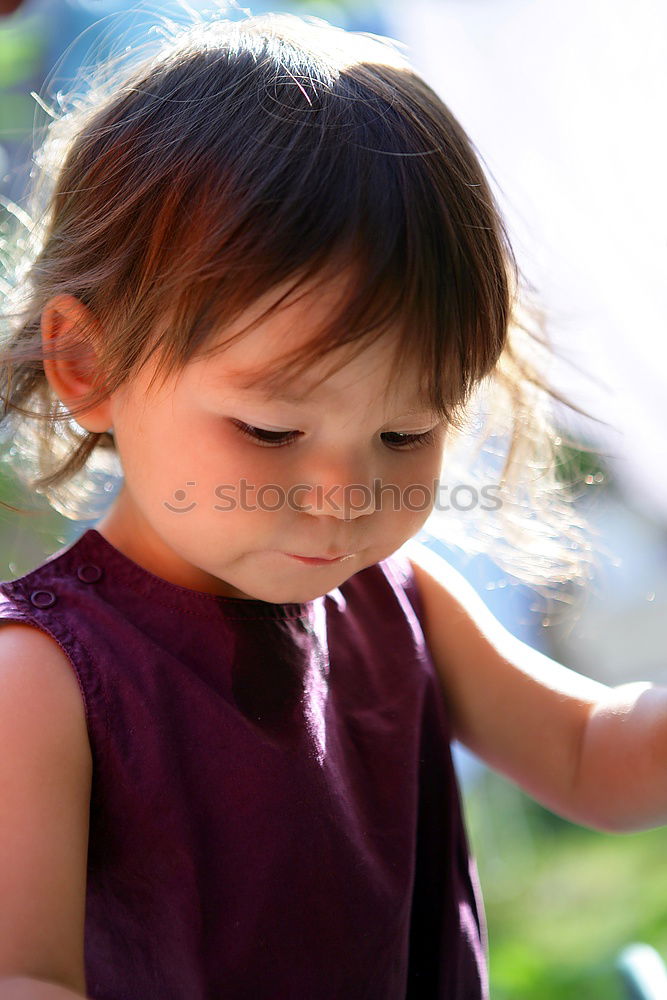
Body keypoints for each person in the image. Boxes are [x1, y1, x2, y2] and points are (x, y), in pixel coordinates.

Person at [0, 11, 664, 1000]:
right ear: (88, 365)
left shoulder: (402, 598)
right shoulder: (41, 680)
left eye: (406, 435)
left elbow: (592, 755)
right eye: (270, 432)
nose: (346, 497)